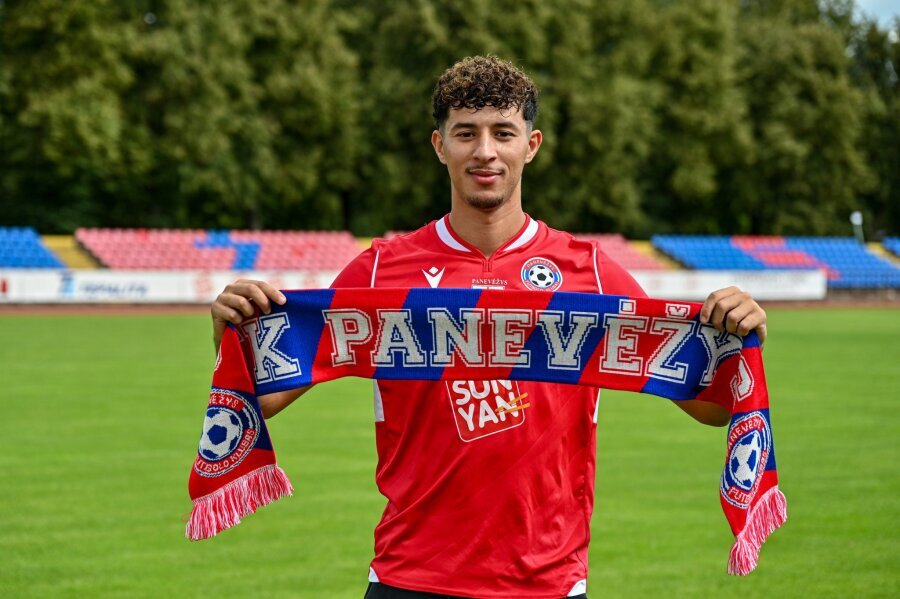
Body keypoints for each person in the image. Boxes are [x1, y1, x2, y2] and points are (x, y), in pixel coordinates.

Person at [210, 56, 767, 599]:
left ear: (531, 144)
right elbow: (264, 394)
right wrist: (231, 331)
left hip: (547, 581)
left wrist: (737, 335)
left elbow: (711, 407)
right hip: (410, 578)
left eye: (503, 132)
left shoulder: (592, 273)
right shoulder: (378, 272)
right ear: (439, 146)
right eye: (465, 132)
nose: (484, 151)